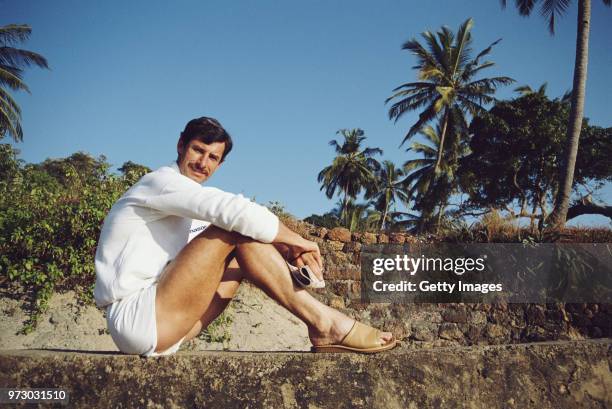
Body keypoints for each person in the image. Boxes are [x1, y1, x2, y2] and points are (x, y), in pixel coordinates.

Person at [94, 116, 397, 356]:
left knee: (242, 249)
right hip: (137, 317)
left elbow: (239, 241)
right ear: (180, 145)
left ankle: (323, 322)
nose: (203, 163)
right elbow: (233, 212)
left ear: (220, 163)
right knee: (234, 228)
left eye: (213, 157)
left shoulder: (185, 210)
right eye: (198, 150)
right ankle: (324, 323)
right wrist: (299, 242)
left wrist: (286, 255)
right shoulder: (160, 183)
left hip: (168, 324)